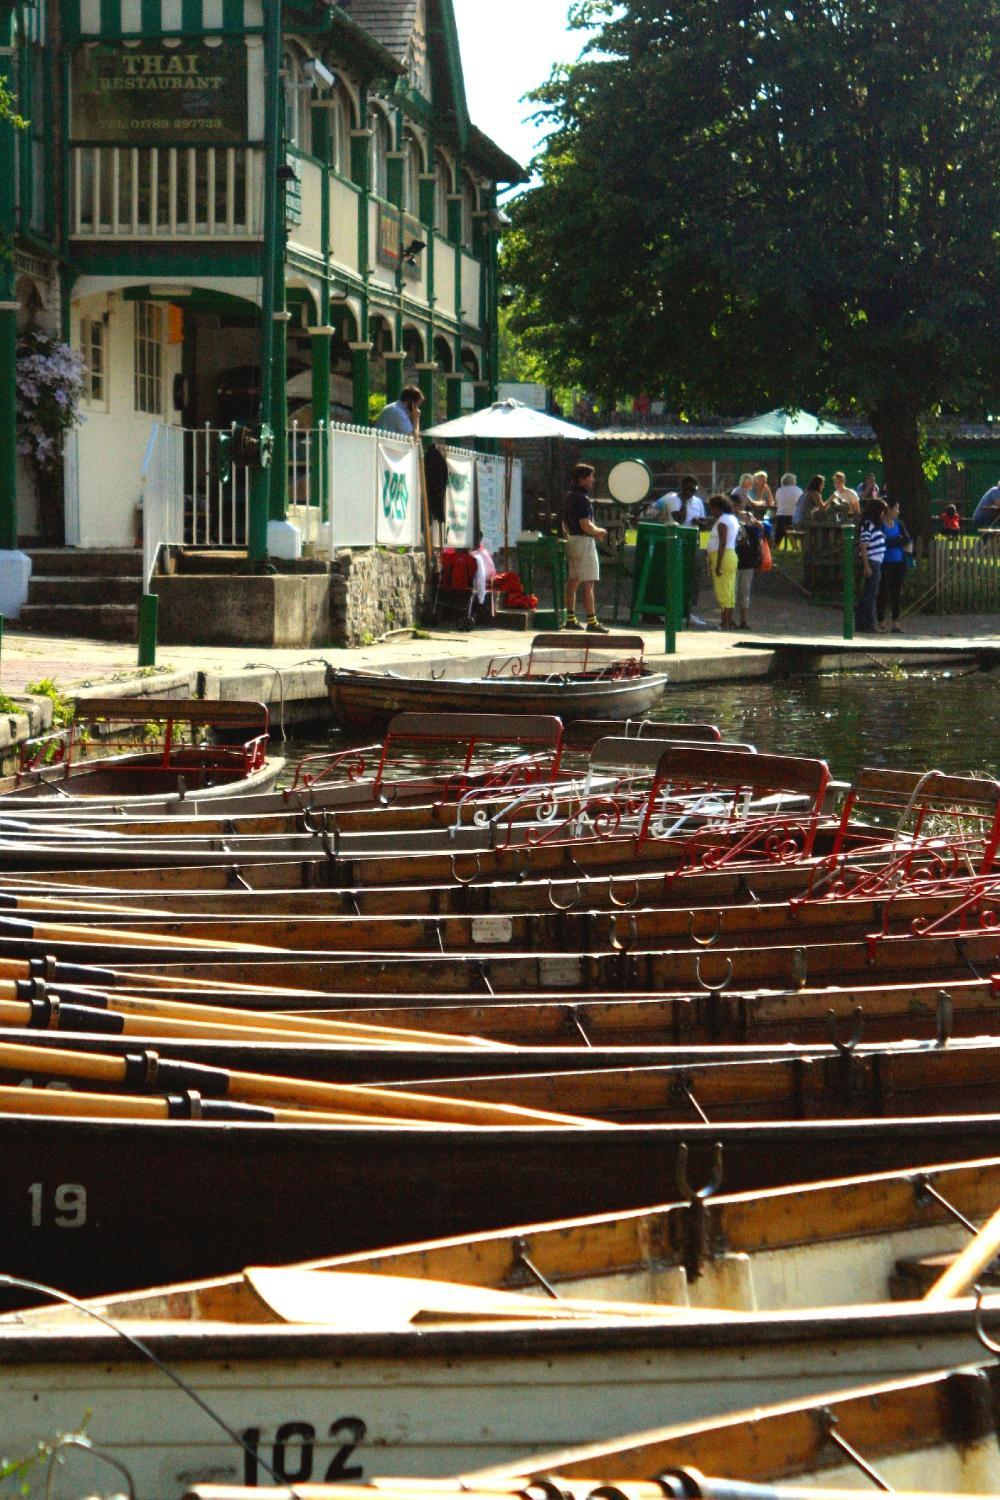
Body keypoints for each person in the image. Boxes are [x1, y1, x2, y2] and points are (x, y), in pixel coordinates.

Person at [562, 462, 609, 632]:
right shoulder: (582, 499)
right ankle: (592, 621)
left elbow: (564, 524)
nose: (593, 480)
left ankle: (571, 618)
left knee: (573, 580)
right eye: (590, 477)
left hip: (572, 539)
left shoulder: (569, 496)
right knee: (589, 582)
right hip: (583, 541)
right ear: (582, 479)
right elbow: (585, 524)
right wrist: (599, 531)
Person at [876, 498, 911, 633]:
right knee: (882, 592)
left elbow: (906, 539)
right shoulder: (880, 524)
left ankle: (896, 622)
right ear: (889, 509)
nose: (898, 511)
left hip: (898, 563)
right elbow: (883, 542)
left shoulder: (899, 523)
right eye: (896, 508)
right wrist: (897, 540)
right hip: (884, 563)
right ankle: (880, 620)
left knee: (896, 593)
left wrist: (893, 541)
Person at [706, 494, 740, 630]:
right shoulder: (732, 518)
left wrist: (718, 565)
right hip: (730, 556)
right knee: (729, 590)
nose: (711, 512)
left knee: (723, 590)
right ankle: (727, 621)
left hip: (723, 557)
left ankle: (725, 622)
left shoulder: (722, 522)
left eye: (713, 509)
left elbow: (722, 542)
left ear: (719, 508)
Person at [855, 495, 888, 633]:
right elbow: (863, 545)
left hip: (876, 562)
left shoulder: (873, 525)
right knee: (871, 594)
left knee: (869, 593)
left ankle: (862, 623)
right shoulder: (868, 524)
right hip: (872, 562)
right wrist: (866, 565)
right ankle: (869, 624)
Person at [734, 503, 766, 629]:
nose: (746, 519)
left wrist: (757, 524)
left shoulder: (754, 531)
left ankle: (741, 620)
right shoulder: (738, 529)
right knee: (737, 592)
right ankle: (733, 619)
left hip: (745, 564)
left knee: (742, 593)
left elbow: (763, 533)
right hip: (739, 563)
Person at [772, 472, 803, 548]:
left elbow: (776, 503)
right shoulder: (799, 490)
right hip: (794, 518)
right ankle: (795, 546)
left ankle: (775, 545)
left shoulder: (779, 490)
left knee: (779, 530)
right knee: (792, 529)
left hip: (781, 517)